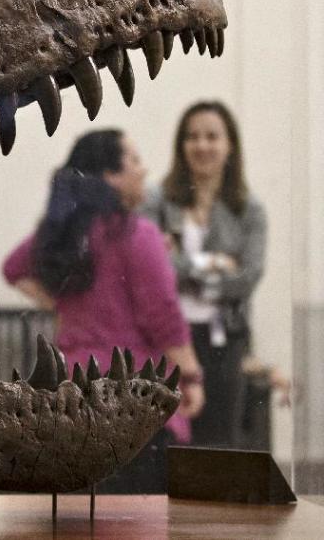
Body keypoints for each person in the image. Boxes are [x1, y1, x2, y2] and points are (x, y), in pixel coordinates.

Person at [2, 129, 204, 493]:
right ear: (111, 175)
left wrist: (61, 301)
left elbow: (13, 269)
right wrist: (190, 377)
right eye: (135, 160)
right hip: (136, 403)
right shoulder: (137, 234)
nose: (144, 171)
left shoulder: (60, 235)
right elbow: (163, 314)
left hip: (70, 398)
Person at [142, 101, 266, 448]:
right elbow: (152, 268)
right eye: (192, 137)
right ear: (181, 146)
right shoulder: (157, 200)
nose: (202, 145)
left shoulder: (248, 209)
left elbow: (248, 278)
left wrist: (184, 266)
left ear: (230, 146)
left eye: (212, 136)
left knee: (217, 444)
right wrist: (214, 265)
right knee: (164, 441)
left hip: (224, 338)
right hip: (167, 340)